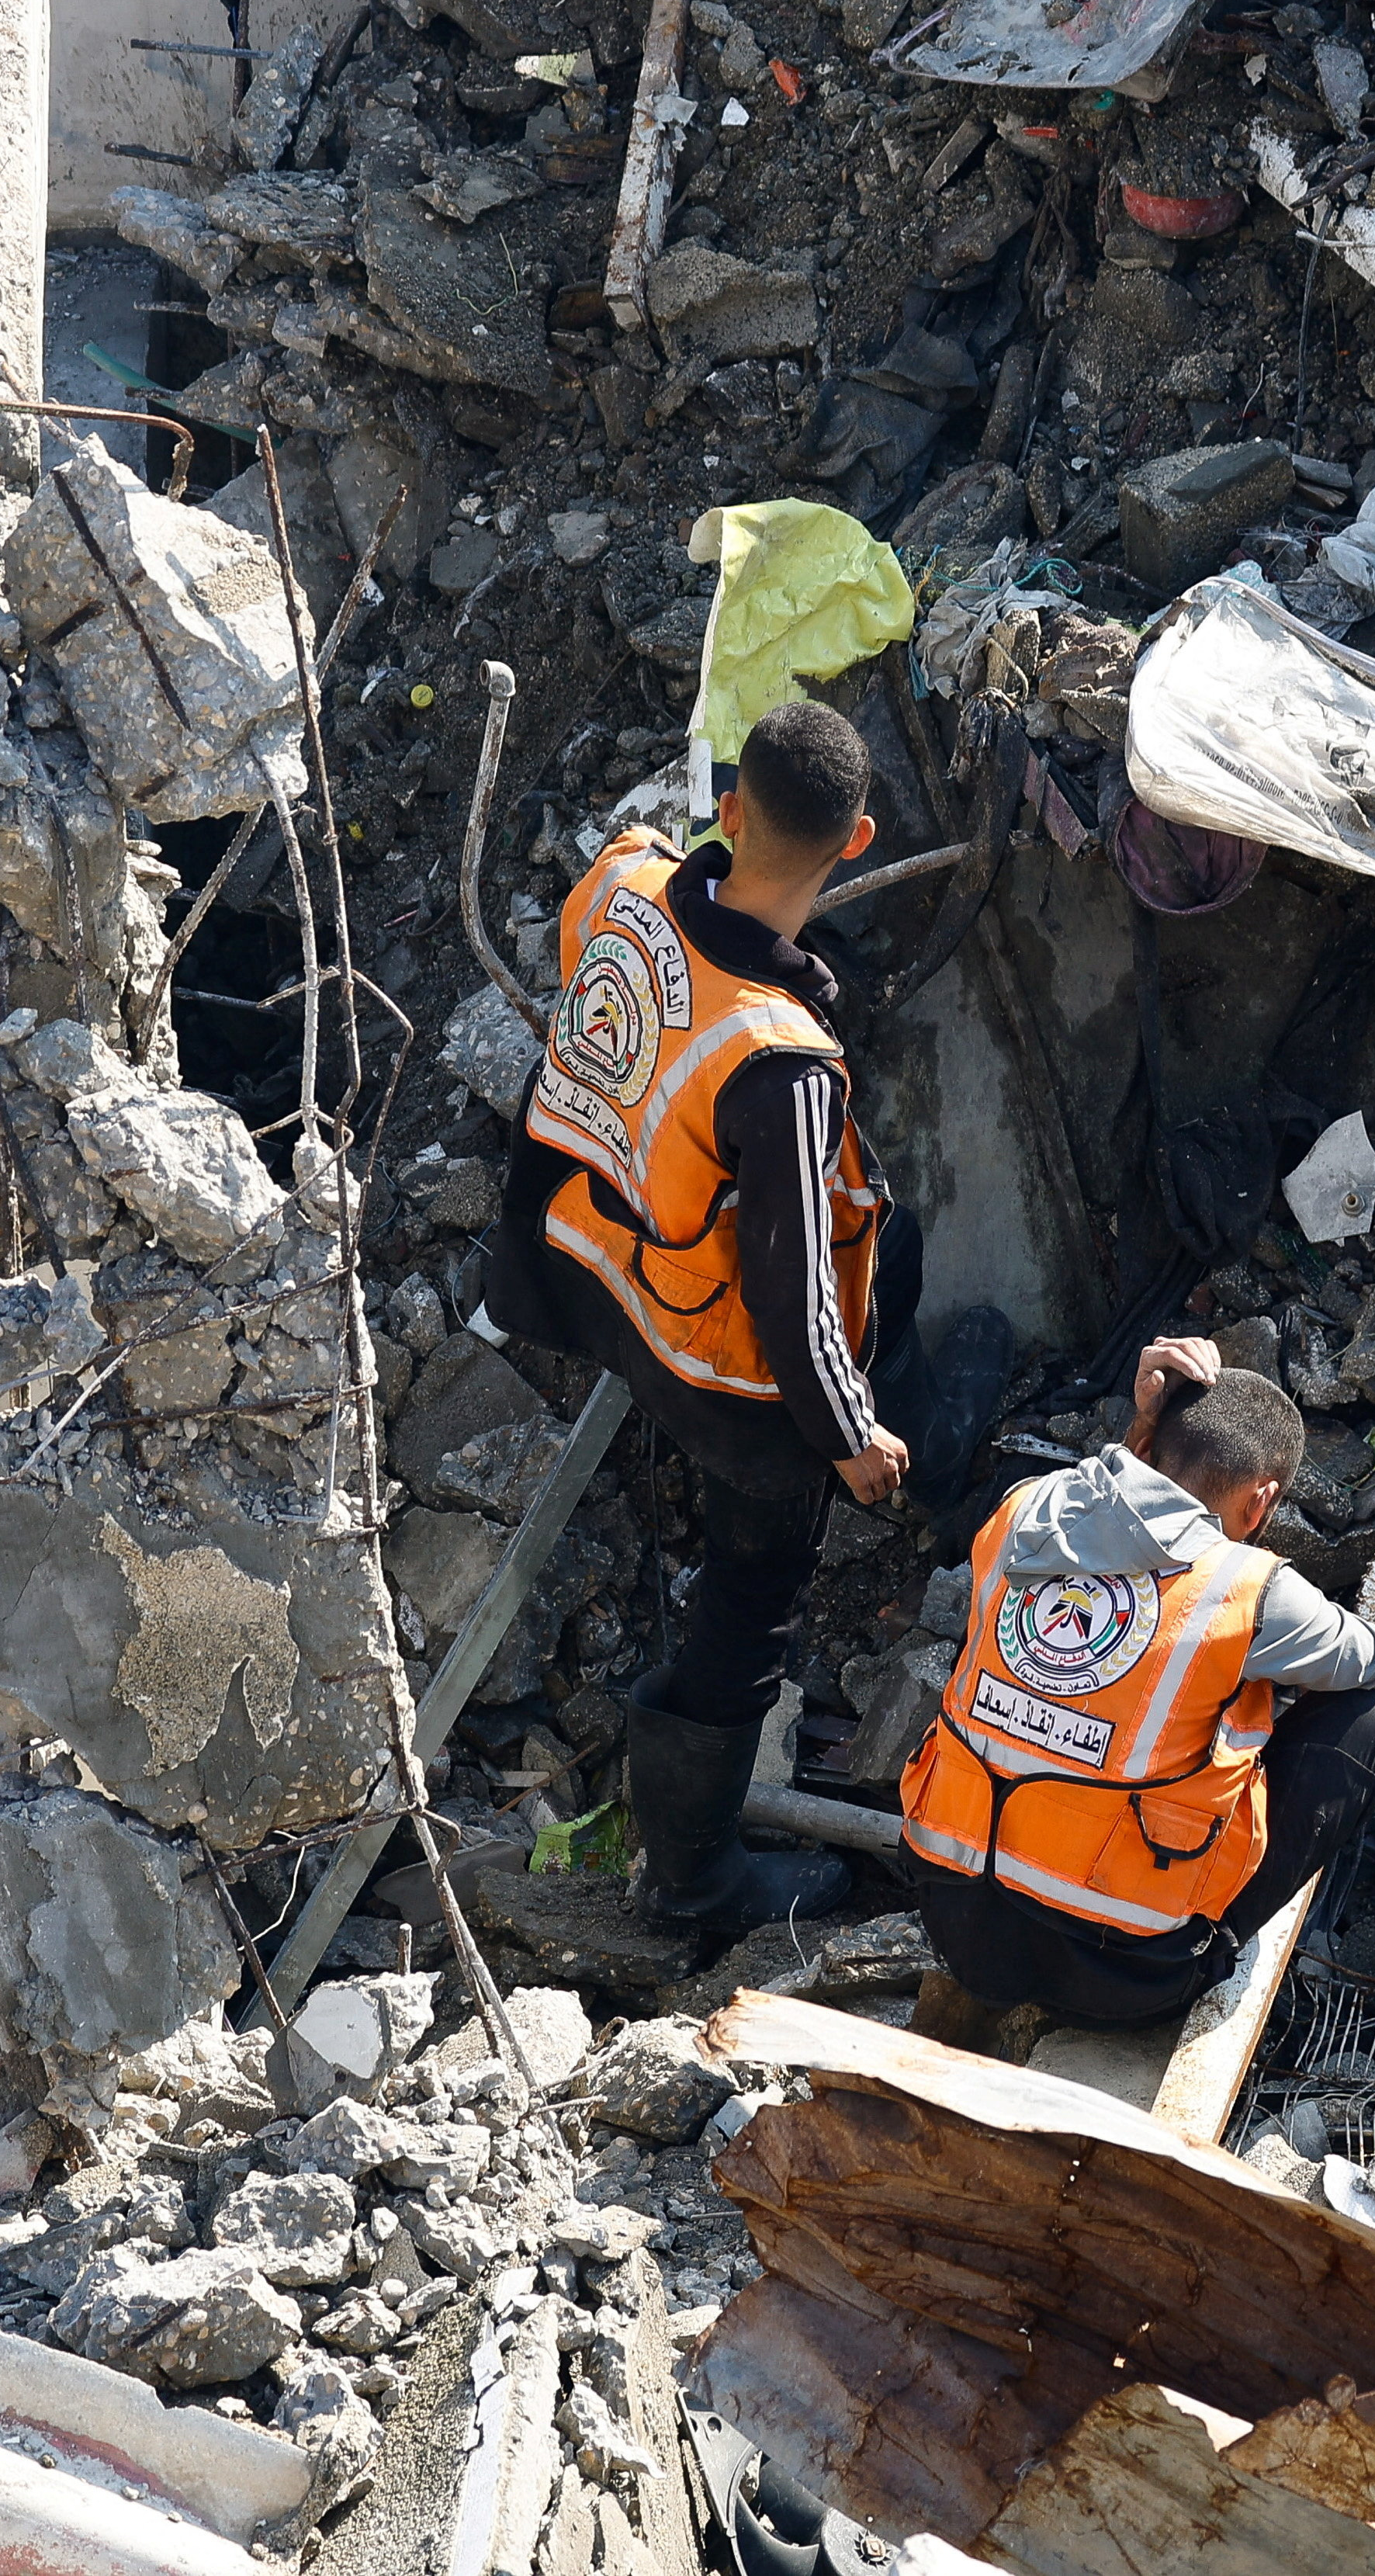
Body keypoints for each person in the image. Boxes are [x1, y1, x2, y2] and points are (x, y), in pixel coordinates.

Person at [484, 701, 990, 1936]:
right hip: (721, 1367)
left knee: (898, 1241)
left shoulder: (622, 880)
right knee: (753, 1591)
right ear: (858, 839)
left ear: (727, 810)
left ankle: (942, 1445)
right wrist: (845, 1438)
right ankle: (699, 1885)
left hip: (587, 1272)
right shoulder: (783, 1066)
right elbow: (791, 1292)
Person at [899, 1336, 1375, 2057]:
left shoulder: (1026, 1510)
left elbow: (1104, 1504)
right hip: (1125, 1978)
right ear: (1264, 1500)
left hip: (959, 1923)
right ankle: (1218, 1942)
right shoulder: (1247, 1589)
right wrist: (1272, 1664)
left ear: (1150, 1446)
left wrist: (1141, 1424)